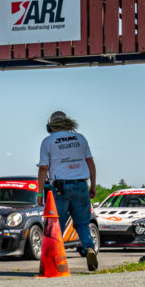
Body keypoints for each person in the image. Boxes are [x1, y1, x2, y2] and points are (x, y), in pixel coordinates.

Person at [36, 111, 99, 271]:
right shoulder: (80, 138)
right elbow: (90, 163)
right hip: (81, 185)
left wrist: (39, 192)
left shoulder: (48, 141)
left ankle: (54, 259)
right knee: (82, 223)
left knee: (57, 224)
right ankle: (89, 248)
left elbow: (43, 168)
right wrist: (93, 186)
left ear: (50, 125)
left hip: (60, 188)